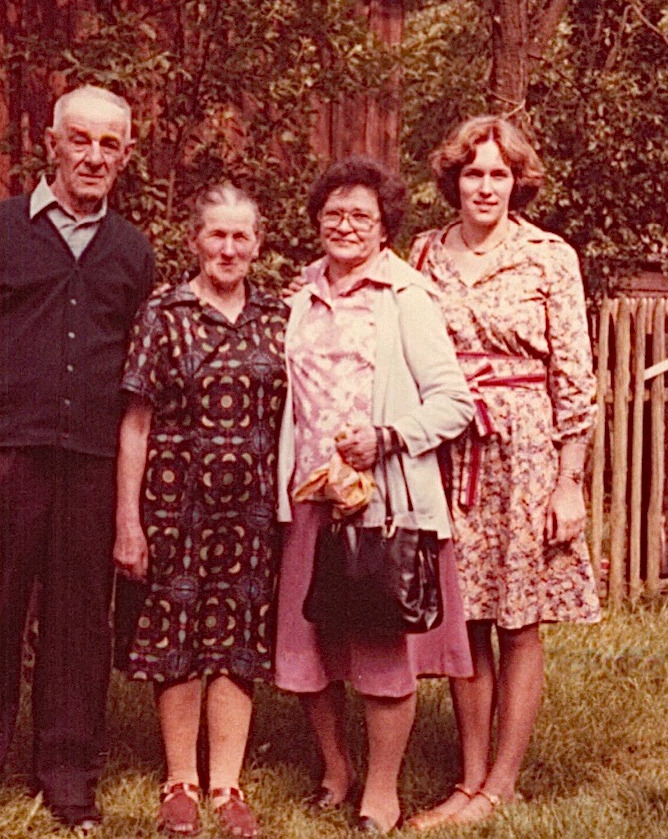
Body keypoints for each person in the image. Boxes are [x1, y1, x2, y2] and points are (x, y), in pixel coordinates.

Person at [0, 85, 155, 833]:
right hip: (4, 458)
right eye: (80, 140)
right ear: (51, 143)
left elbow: (136, 375)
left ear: (125, 154)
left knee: (78, 627)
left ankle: (68, 782)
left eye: (108, 145)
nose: (93, 157)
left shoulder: (131, 250)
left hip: (89, 462)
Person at [405, 115, 600, 831]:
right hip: (449, 447)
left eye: (498, 174)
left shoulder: (549, 256)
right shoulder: (422, 255)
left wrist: (568, 480)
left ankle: (502, 783)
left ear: (517, 182)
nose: (485, 187)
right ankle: (468, 779)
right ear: (451, 180)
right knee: (466, 616)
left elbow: (574, 374)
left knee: (518, 618)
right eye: (472, 173)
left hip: (524, 452)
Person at [273, 156, 476, 835]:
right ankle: (335, 769)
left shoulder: (406, 298)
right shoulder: (298, 296)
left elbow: (454, 403)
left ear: (385, 225)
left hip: (382, 503)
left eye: (361, 215)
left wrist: (387, 437)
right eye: (332, 213)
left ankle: (380, 793)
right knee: (309, 645)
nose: (345, 225)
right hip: (309, 496)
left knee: (382, 652)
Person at [112, 184, 288, 839]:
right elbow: (135, 421)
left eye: (241, 236)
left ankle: (227, 784)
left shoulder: (277, 317)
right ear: (194, 240)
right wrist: (127, 519)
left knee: (236, 640)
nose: (228, 247)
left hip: (251, 513)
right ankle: (179, 781)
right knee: (178, 640)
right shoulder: (164, 312)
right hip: (173, 505)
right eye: (216, 234)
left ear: (257, 244)